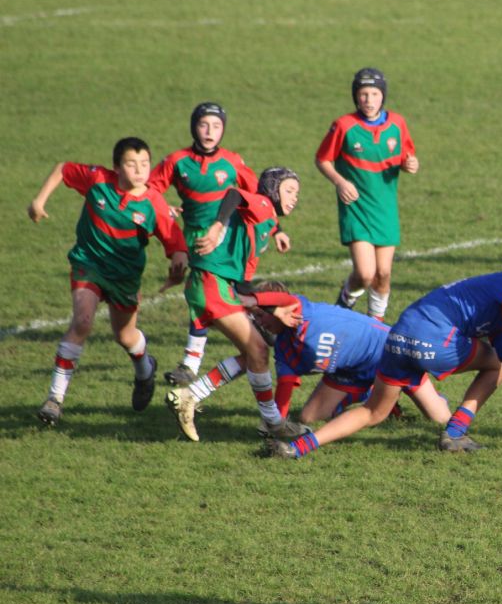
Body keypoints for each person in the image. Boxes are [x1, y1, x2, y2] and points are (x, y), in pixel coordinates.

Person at [266, 267, 502, 458]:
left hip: (397, 337)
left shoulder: (500, 304)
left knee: (373, 412)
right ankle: (455, 433)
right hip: (430, 340)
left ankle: (297, 449)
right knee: (496, 366)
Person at [27, 137, 188, 426]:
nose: (140, 169)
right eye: (131, 163)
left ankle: (144, 369)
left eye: (145, 164)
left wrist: (179, 260)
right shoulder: (98, 180)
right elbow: (63, 169)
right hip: (88, 264)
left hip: (124, 277)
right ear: (116, 166)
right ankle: (55, 399)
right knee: (82, 321)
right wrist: (39, 200)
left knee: (125, 337)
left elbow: (175, 242)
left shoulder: (154, 202)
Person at [164, 167, 308, 442]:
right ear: (273, 189)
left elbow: (243, 286)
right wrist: (218, 224)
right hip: (211, 282)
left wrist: (268, 308)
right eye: (289, 190)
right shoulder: (263, 204)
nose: (294, 198)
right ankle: (274, 424)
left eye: (297, 193)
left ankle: (190, 396)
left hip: (217, 284)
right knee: (258, 350)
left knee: (252, 355)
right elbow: (233, 194)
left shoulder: (262, 226)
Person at [148, 102, 284, 386]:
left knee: (225, 290)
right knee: (200, 292)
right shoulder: (177, 160)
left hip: (230, 237)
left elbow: (257, 197)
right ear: (194, 126)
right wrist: (163, 206)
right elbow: (150, 189)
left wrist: (277, 229)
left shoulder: (232, 161)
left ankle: (260, 322)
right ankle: (191, 363)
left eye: (217, 126)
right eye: (204, 125)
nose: (210, 131)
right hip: (198, 239)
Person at [244, 280, 447, 425]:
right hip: (350, 373)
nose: (260, 323)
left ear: (282, 308)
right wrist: (276, 427)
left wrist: (252, 299)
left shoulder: (303, 312)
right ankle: (371, 394)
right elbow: (284, 393)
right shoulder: (283, 351)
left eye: (262, 315)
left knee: (440, 419)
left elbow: (284, 299)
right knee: (309, 418)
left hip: (389, 353)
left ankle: (393, 393)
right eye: (256, 318)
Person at [316, 67, 418, 321]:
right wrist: (340, 182)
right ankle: (344, 303)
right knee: (365, 273)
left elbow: (407, 155)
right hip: (356, 208)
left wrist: (410, 164)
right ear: (356, 96)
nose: (369, 100)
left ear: (382, 96)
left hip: (385, 209)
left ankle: (375, 327)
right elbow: (322, 159)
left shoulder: (397, 124)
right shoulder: (344, 126)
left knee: (383, 273)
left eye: (374, 94)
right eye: (363, 94)